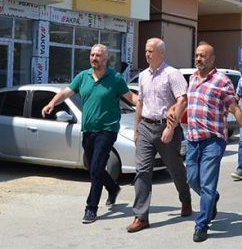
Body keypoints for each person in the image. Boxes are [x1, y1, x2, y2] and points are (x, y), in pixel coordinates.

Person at [41, 44, 138, 223]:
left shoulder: (115, 78)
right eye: (92, 55)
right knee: (94, 167)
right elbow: (65, 93)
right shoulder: (83, 76)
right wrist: (52, 103)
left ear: (106, 58)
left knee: (95, 169)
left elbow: (130, 97)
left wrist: (144, 103)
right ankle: (113, 187)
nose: (94, 58)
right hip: (88, 130)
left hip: (107, 130)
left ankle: (91, 208)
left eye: (98, 55)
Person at [184, 42, 242, 242]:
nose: (198, 59)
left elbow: (234, 109)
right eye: (197, 55)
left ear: (212, 59)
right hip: (192, 139)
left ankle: (202, 225)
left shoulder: (222, 81)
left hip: (213, 141)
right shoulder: (192, 78)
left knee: (207, 184)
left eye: (203, 56)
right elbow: (185, 102)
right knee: (192, 178)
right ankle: (212, 199)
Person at [126, 38, 192, 233]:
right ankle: (141, 216)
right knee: (142, 171)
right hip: (146, 126)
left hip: (167, 128)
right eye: (146, 51)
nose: (147, 54)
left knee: (175, 169)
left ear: (161, 53)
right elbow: (140, 103)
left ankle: (185, 199)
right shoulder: (143, 75)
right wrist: (137, 128)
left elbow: (183, 100)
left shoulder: (173, 74)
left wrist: (171, 127)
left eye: (151, 51)